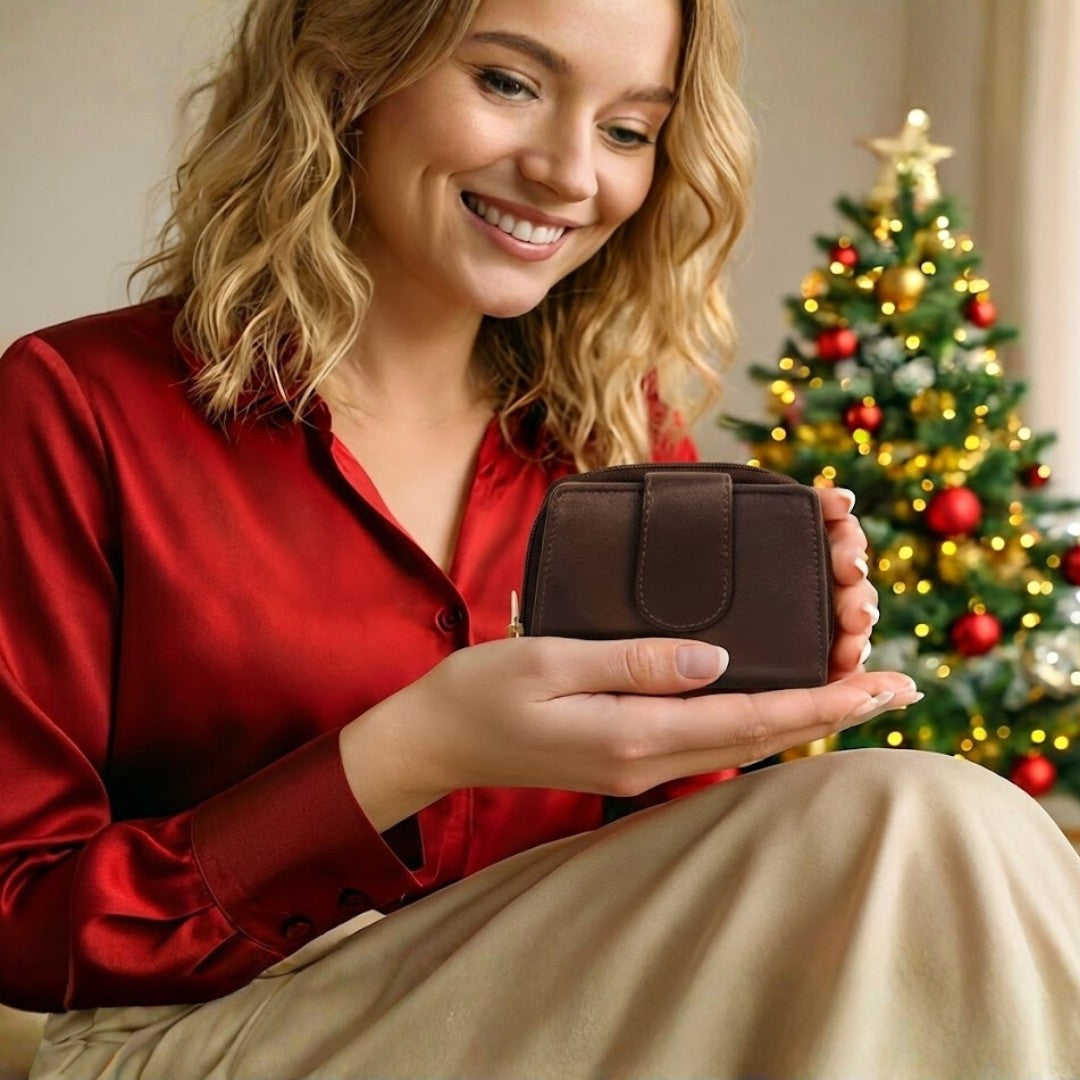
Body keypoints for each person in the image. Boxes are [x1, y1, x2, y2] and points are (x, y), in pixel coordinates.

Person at [1, 0, 1078, 1076]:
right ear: (347, 73)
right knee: (925, 819)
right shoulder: (77, 405)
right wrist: (410, 756)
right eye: (510, 83)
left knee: (928, 820)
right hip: (194, 1036)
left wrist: (744, 720)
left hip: (562, 1015)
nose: (571, 174)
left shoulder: (619, 437)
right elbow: (18, 917)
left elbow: (678, 877)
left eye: (628, 130)